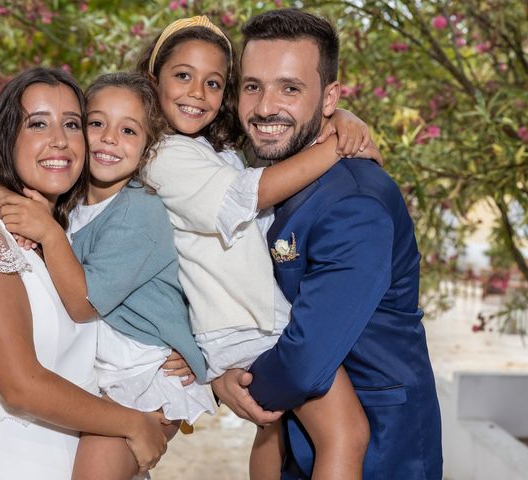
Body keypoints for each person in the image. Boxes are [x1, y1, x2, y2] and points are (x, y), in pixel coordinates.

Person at [140, 15, 381, 479]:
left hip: (242, 319)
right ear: (153, 81)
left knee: (273, 431)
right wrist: (335, 145)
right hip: (245, 323)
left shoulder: (211, 150)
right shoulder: (166, 156)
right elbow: (250, 194)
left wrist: (339, 116)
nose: (197, 92)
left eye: (214, 83)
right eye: (182, 76)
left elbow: (274, 147)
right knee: (346, 434)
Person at [211, 9, 443, 480]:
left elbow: (303, 364)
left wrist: (231, 385)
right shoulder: (265, 172)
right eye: (252, 86)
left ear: (330, 96)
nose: (264, 107)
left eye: (290, 88)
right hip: (299, 440)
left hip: (379, 449)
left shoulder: (355, 203)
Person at [0, 72, 215, 480]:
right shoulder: (68, 207)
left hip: (145, 371)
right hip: (101, 391)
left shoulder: (136, 212)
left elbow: (81, 303)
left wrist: (48, 233)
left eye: (129, 130)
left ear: (148, 149)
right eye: (95, 124)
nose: (109, 138)